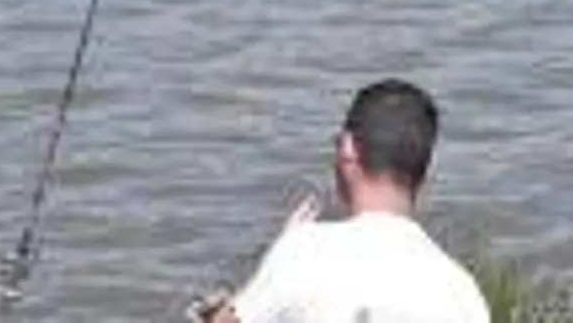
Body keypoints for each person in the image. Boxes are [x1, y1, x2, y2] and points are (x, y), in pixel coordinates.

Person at [206, 78, 490, 323]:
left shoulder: (305, 251)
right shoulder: (462, 291)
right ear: (427, 167)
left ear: (347, 149)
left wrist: (277, 256)